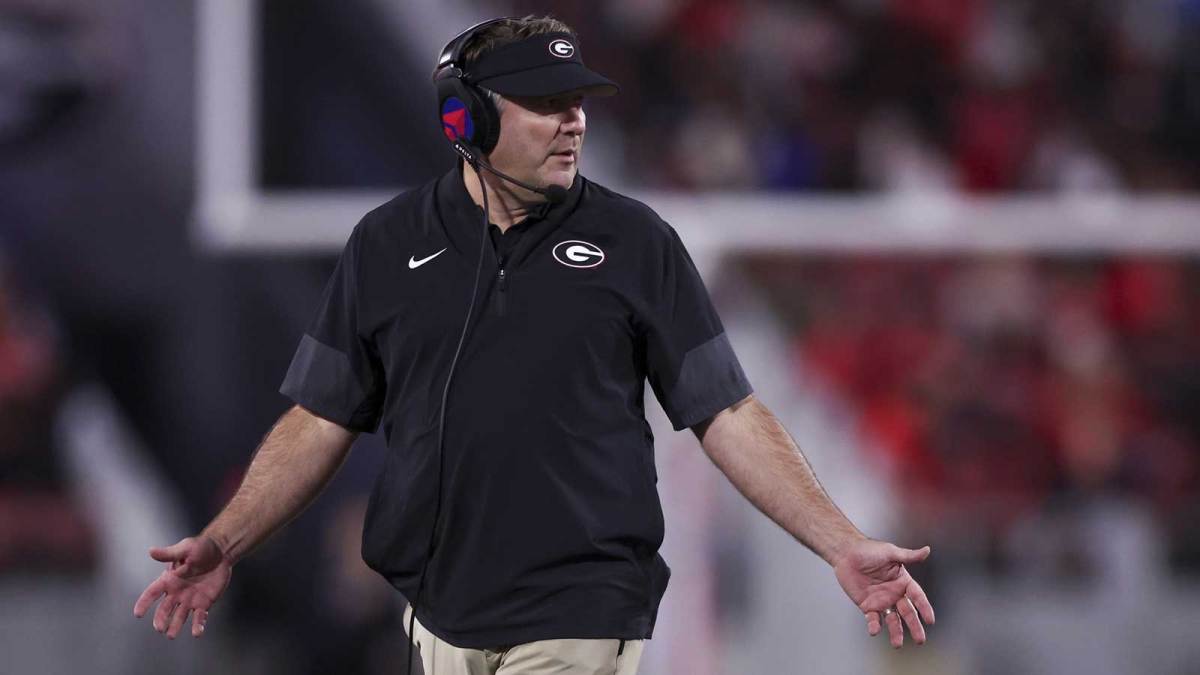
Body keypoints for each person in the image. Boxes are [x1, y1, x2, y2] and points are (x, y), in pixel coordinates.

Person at [133, 15, 936, 674]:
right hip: (440, 613)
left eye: (577, 102)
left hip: (580, 607)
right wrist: (226, 539)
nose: (574, 121)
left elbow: (725, 413)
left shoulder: (637, 245)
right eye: (545, 103)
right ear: (467, 119)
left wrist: (841, 541)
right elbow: (319, 420)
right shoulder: (385, 248)